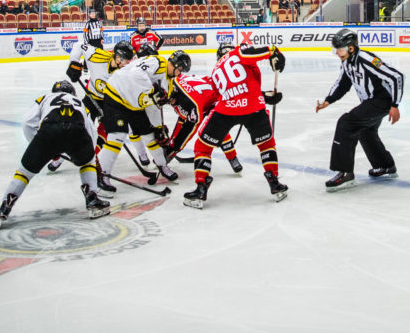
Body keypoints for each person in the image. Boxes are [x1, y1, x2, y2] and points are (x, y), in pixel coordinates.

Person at [0, 81, 109, 228]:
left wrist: (39, 144)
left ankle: (4, 208)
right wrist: (84, 153)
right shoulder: (79, 101)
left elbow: (27, 122)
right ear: (72, 93)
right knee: (87, 163)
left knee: (24, 172)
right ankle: (92, 200)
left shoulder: (45, 97)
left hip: (48, 132)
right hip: (77, 133)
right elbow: (89, 129)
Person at [182, 42, 288, 209]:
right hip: (254, 107)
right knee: (266, 144)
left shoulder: (216, 69)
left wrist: (264, 96)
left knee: (202, 146)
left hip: (226, 109)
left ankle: (201, 188)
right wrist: (273, 51)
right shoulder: (239, 51)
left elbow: (228, 92)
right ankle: (274, 183)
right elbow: (248, 55)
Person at [315, 29, 402, 191]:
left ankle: (345, 173)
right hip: (370, 102)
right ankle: (385, 166)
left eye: (340, 49)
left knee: (346, 123)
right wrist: (328, 100)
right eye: (336, 50)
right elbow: (342, 83)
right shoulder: (347, 62)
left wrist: (395, 105)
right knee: (365, 130)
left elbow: (396, 76)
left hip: (381, 101)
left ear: (351, 48)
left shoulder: (368, 59)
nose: (337, 53)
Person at [95, 43, 178, 191]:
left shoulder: (168, 84)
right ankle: (102, 173)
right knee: (117, 136)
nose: (178, 73)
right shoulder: (158, 62)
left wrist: (158, 127)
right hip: (117, 96)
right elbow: (136, 74)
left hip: (135, 104)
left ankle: (162, 165)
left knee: (150, 136)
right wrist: (151, 90)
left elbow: (153, 106)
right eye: (178, 68)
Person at [162, 50, 243, 173]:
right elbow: (182, 121)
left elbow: (189, 129)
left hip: (214, 101)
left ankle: (232, 157)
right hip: (202, 96)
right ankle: (169, 153)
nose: (169, 102)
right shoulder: (175, 82)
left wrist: (176, 146)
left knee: (218, 129)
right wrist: (172, 147)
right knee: (182, 130)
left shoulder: (189, 102)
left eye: (169, 100)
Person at [64, 39, 135, 172]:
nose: (128, 64)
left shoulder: (126, 72)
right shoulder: (98, 56)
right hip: (91, 97)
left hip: (110, 102)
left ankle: (92, 155)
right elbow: (79, 45)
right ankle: (61, 158)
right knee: (77, 125)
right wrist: (74, 62)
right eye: (126, 60)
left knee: (107, 130)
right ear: (118, 57)